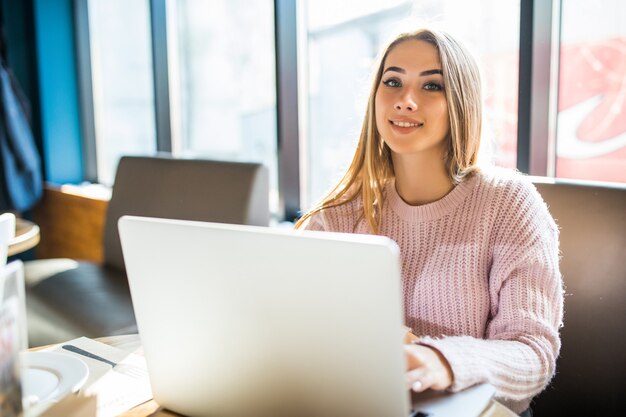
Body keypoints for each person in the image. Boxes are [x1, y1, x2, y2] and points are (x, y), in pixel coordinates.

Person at [295, 27, 563, 416]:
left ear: (461, 103)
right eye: (393, 81)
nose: (405, 100)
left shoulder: (509, 204)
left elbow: (533, 354)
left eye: (431, 86)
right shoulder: (339, 214)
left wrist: (443, 360)